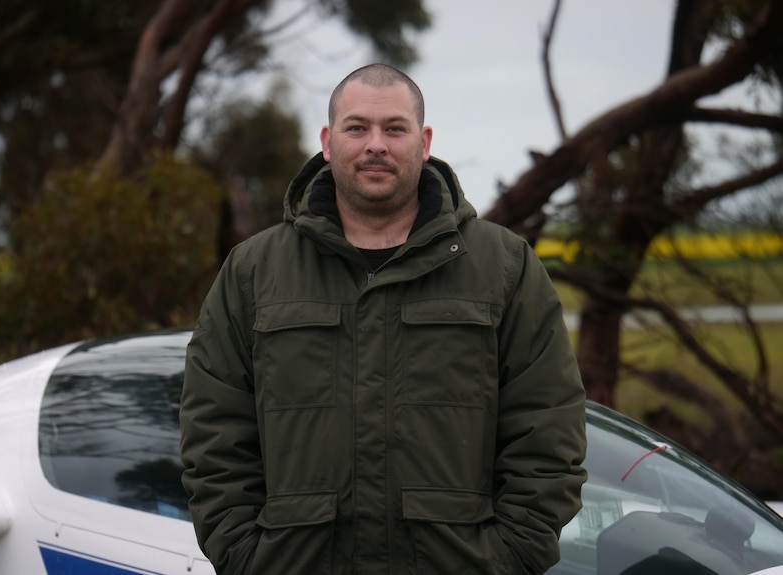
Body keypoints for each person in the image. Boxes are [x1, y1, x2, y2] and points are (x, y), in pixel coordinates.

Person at [180, 63, 587, 575]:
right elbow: (213, 432)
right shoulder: (253, 272)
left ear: (425, 141)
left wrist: (509, 558)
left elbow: (548, 426)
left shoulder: (503, 267)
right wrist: (246, 557)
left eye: (395, 128)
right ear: (328, 142)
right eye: (357, 128)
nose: (376, 144)